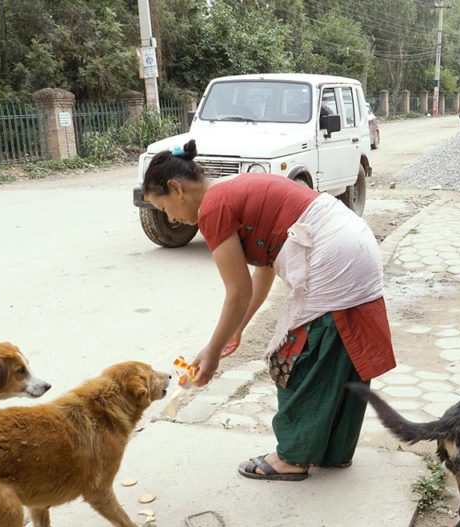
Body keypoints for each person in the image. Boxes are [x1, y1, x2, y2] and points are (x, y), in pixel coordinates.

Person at [141, 140, 396, 481]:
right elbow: (264, 269)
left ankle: (292, 458)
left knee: (295, 358)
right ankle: (332, 451)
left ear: (176, 189)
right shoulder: (233, 191)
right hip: (355, 245)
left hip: (332, 256)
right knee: (338, 351)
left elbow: (237, 292)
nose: (170, 217)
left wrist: (212, 352)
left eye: (163, 207)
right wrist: (236, 331)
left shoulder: (212, 209)